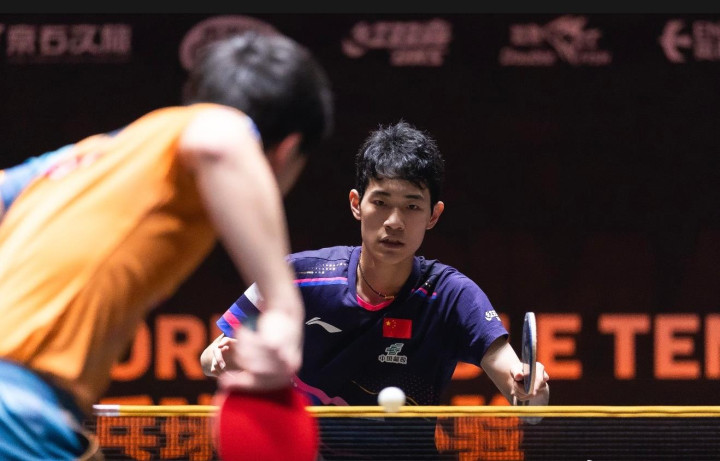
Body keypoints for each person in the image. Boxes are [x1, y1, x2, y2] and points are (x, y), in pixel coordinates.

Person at [0, 30, 334, 460]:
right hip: (17, 411)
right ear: (287, 151)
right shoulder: (214, 129)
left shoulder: (74, 162)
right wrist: (284, 310)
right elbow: (221, 135)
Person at [201, 121, 550, 458]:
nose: (394, 222)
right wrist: (224, 357)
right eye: (381, 202)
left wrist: (531, 390)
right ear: (356, 204)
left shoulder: (451, 297)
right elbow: (209, 357)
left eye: (412, 206)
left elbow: (523, 395)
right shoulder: (298, 276)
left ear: (433, 215)